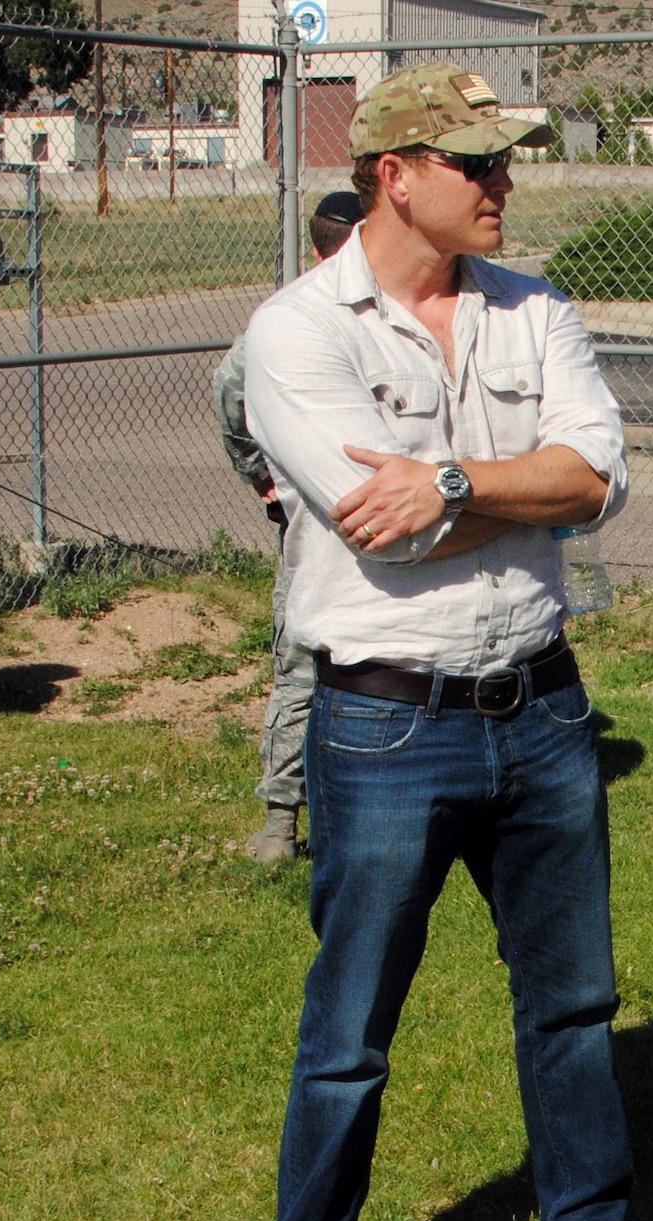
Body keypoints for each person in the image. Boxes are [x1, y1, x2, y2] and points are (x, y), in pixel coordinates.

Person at [242, 64, 653, 1221]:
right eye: (481, 165)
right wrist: (524, 495)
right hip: (387, 722)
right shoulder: (297, 333)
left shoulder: (534, 306)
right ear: (398, 172)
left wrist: (450, 480)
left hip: (544, 707)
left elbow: (602, 477)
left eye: (509, 164)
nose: (507, 186)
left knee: (571, 1000)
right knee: (350, 1028)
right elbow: (371, 519)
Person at [214, 190, 365, 862]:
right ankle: (298, 821)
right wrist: (266, 479)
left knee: (302, 666)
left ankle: (282, 823)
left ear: (313, 247)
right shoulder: (358, 314)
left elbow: (229, 393)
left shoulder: (286, 321)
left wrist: (263, 479)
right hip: (362, 524)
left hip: (311, 520)